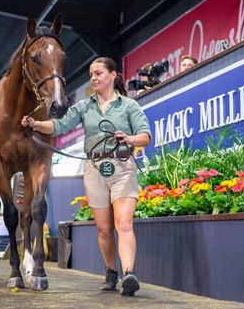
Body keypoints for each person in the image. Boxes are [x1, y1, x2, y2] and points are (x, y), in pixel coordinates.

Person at [21, 57, 152, 296]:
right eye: (91, 74)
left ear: (113, 75)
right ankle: (111, 270)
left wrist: (130, 139)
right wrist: (35, 123)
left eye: (99, 73)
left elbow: (145, 136)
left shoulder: (129, 106)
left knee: (123, 223)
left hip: (122, 167)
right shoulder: (84, 106)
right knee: (103, 229)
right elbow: (59, 126)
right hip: (94, 169)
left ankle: (129, 274)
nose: (93, 77)